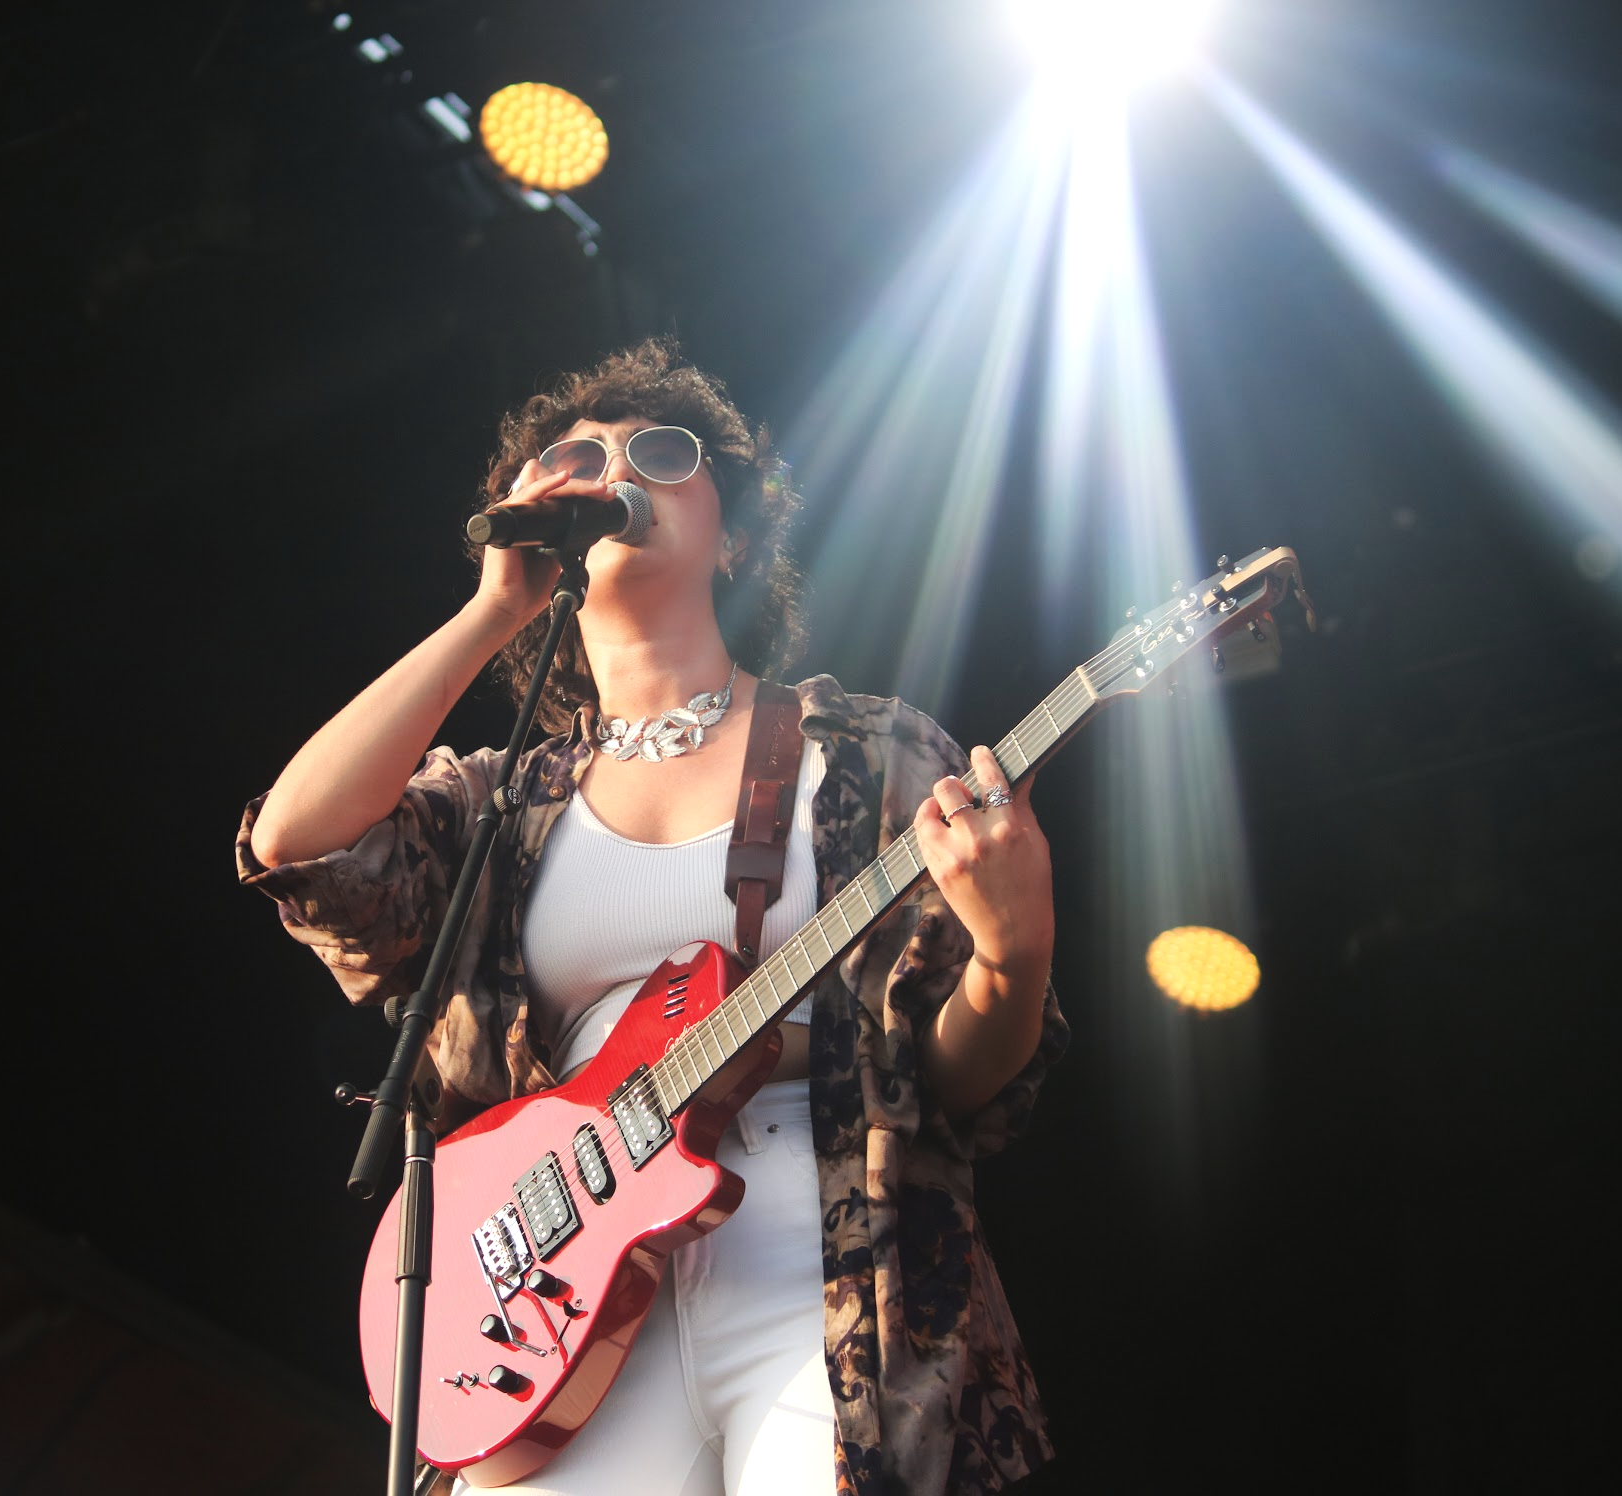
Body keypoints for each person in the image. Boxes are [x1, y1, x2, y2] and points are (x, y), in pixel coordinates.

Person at [237, 339, 1068, 1496]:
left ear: (731, 537)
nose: (617, 466)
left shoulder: (869, 755)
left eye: (664, 453)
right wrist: (493, 608)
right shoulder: (501, 801)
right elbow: (303, 847)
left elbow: (962, 1079)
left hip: (819, 1252)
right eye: (576, 456)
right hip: (558, 1288)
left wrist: (1013, 947)